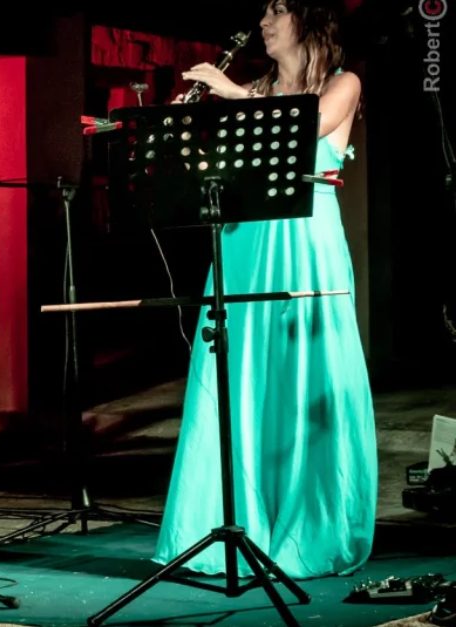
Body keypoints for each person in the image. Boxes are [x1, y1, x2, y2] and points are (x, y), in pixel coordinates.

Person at [153, 0, 376, 579]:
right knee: (238, 374)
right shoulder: (251, 88)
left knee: (302, 374)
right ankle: (228, 524)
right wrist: (179, 132)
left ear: (307, 20)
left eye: (276, 12)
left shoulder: (343, 84)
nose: (263, 24)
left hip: (304, 241)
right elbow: (215, 169)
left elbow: (306, 125)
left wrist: (231, 94)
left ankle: (308, 526)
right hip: (244, 242)